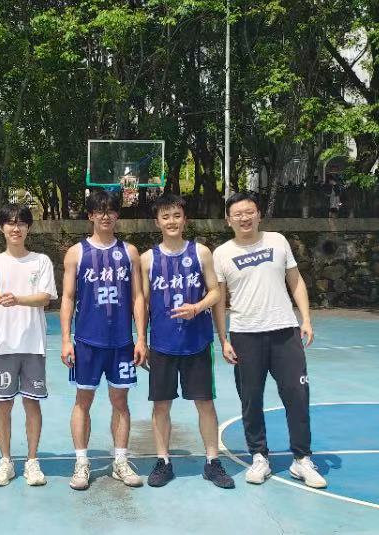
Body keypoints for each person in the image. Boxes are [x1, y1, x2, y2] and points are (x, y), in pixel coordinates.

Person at [213, 191, 327, 489]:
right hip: (245, 335)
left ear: (259, 214)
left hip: (285, 332)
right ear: (228, 220)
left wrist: (306, 319)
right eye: (237, 214)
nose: (244, 218)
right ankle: (259, 456)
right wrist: (223, 339)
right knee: (251, 400)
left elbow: (295, 281)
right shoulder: (222, 253)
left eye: (249, 212)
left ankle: (302, 459)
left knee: (297, 396)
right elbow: (219, 300)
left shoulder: (277, 241)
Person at [140, 194, 234, 489]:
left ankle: (212, 461)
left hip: (197, 342)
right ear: (157, 222)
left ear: (185, 220)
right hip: (162, 344)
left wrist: (197, 307)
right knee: (161, 405)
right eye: (165, 216)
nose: (172, 221)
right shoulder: (147, 259)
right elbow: (142, 302)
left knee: (205, 403)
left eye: (177, 216)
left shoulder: (201, 252)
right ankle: (163, 461)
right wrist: (140, 339)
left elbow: (216, 292)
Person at [60, 189, 147, 491]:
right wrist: (66, 339)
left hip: (121, 342)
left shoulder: (130, 252)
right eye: (99, 211)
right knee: (83, 401)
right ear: (90, 216)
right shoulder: (76, 253)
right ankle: (81, 462)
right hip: (87, 341)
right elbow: (67, 298)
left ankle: (120, 461)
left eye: (110, 210)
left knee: (120, 401)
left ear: (117, 215)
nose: (105, 216)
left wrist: (141, 338)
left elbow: (137, 297)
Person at [0, 203, 58, 487]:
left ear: (28, 228)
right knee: (3, 405)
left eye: (21, 223)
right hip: (2, 345)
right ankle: (5, 461)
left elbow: (45, 298)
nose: (16, 228)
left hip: (33, 344)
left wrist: (18, 299)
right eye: (10, 223)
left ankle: (32, 461)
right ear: (1, 227)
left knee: (32, 403)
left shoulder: (41, 261)